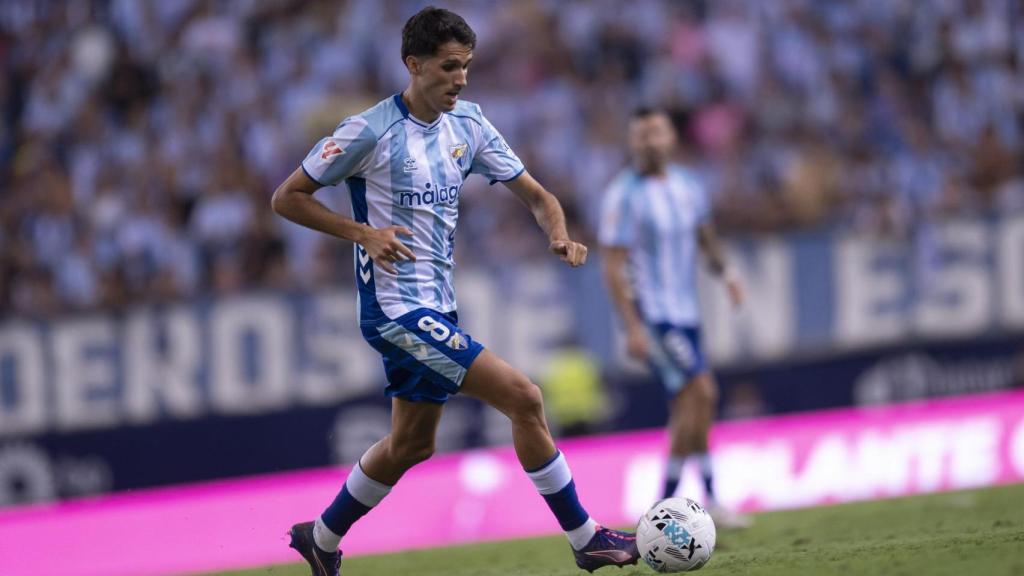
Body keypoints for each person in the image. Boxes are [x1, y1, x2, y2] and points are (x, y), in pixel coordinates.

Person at [270, 7, 639, 575]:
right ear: (413, 65)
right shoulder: (367, 131)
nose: (460, 79)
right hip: (396, 311)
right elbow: (287, 197)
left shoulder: (469, 125)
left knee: (412, 445)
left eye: (466, 66)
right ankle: (587, 539)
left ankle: (319, 537)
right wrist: (362, 233)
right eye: (448, 67)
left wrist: (560, 234)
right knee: (525, 397)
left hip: (438, 306)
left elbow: (540, 198)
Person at [599, 107, 751, 529]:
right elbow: (612, 265)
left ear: (670, 139)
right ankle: (672, 505)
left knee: (690, 405)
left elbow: (706, 239)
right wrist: (632, 326)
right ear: (632, 142)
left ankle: (687, 504)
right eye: (640, 134)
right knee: (702, 392)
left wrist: (729, 274)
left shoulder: (688, 185)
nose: (648, 141)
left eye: (655, 133)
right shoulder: (623, 194)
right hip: (654, 317)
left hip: (688, 314)